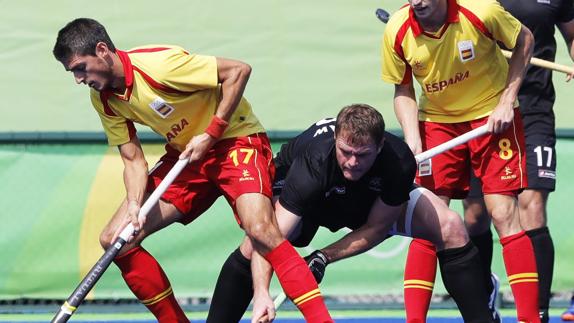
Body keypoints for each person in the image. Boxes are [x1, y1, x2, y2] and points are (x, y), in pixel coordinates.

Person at [52, 18, 333, 323]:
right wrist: (135, 202)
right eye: (73, 72)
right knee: (116, 239)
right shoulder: (103, 99)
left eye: (80, 68)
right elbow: (133, 160)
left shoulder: (160, 66)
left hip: (234, 140)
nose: (79, 79)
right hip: (187, 157)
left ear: (102, 50)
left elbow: (238, 71)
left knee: (261, 229)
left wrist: (212, 133)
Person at [207, 104, 496, 323]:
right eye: (346, 151)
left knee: (451, 226)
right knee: (252, 244)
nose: (353, 163)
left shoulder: (398, 162)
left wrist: (324, 256)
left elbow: (376, 228)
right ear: (335, 140)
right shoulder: (313, 163)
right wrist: (262, 293)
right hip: (312, 201)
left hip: (367, 200)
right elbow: (267, 237)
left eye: (363, 154)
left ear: (381, 145)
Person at [381, 0, 540, 322]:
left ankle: (529, 318)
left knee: (503, 213)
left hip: (492, 117)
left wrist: (507, 101)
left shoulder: (482, 11)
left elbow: (524, 40)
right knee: (428, 221)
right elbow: (403, 88)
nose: (419, 2)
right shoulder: (397, 29)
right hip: (437, 122)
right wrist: (413, 138)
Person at [462, 1, 574, 322]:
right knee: (475, 215)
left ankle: (537, 313)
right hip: (479, 110)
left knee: (532, 207)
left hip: (534, 108)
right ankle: (483, 300)